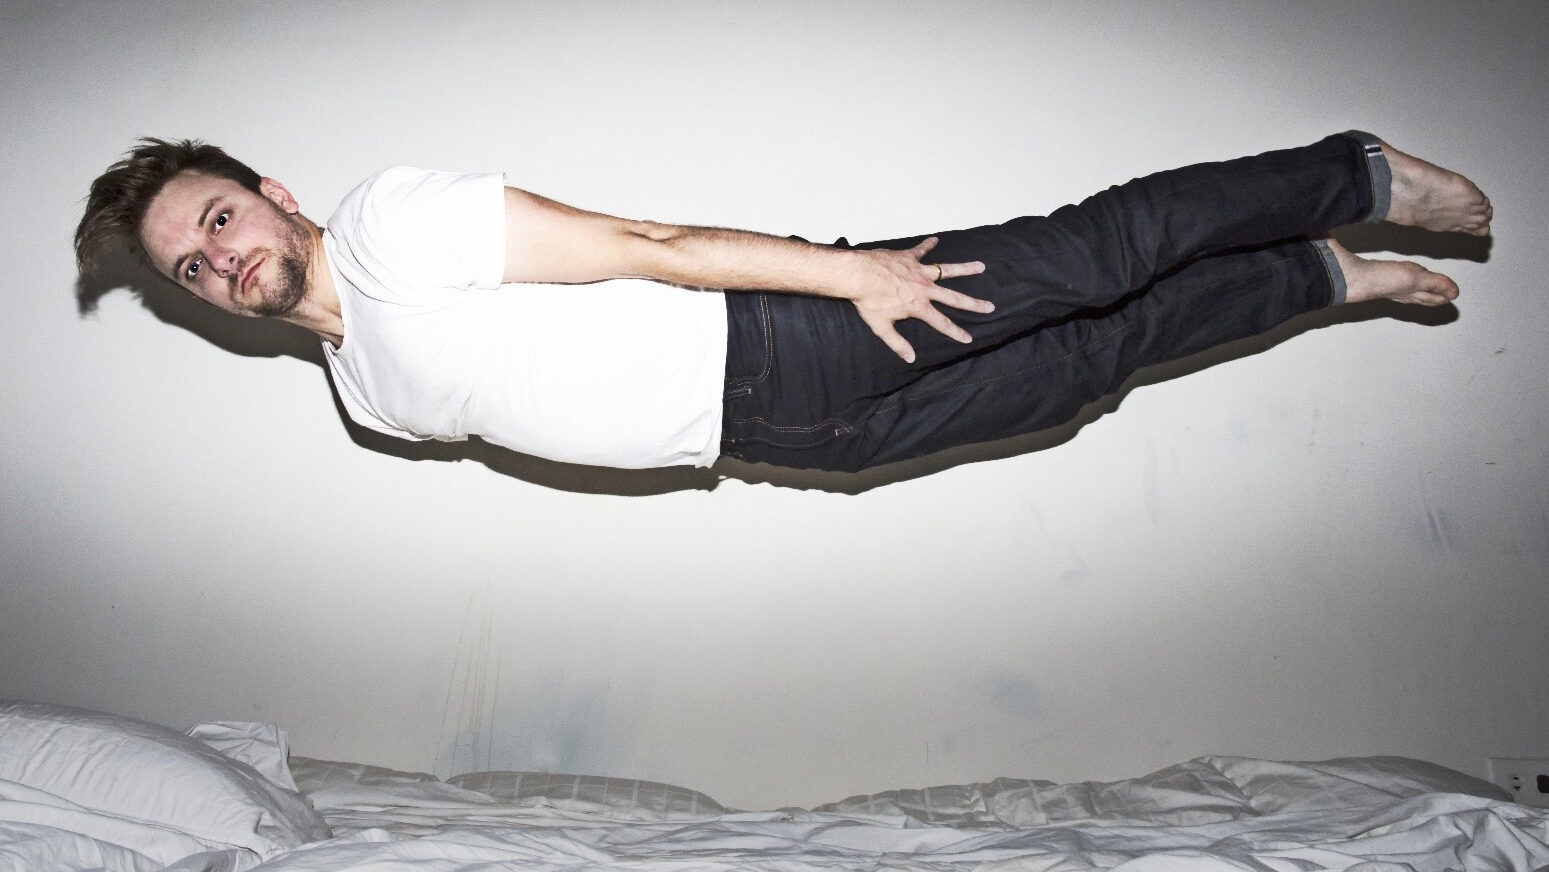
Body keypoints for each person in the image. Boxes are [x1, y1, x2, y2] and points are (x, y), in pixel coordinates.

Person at [74, 131, 1491, 473]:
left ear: (270, 192)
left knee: (1091, 257)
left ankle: (1348, 174)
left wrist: (853, 274)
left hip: (782, 323)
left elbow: (642, 241)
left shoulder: (384, 226)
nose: (219, 261)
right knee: (1081, 376)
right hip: (776, 439)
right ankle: (1319, 275)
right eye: (191, 269)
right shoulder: (359, 398)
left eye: (215, 219)